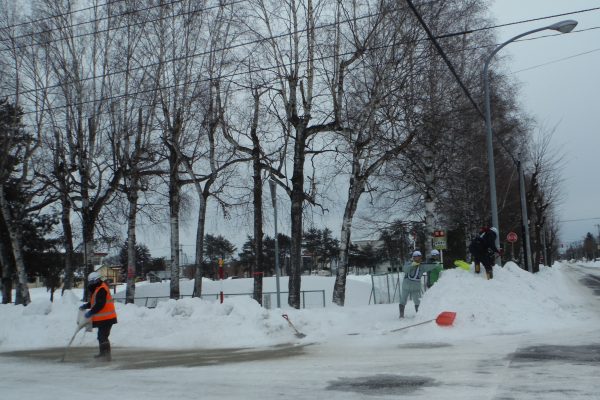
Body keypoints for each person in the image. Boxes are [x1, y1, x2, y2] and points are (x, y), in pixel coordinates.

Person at [80, 272, 117, 361]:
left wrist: (91, 312)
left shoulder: (101, 289)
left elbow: (100, 304)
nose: (90, 284)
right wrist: (87, 305)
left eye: (91, 282)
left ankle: (107, 356)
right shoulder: (98, 288)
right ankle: (103, 354)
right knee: (101, 336)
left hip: (107, 318)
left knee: (103, 336)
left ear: (96, 280)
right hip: (104, 318)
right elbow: (95, 302)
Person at [398, 250, 441, 318]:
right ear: (413, 258)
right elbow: (405, 269)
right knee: (403, 300)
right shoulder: (408, 263)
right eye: (416, 257)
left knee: (417, 301)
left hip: (416, 287)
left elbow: (429, 266)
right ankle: (401, 314)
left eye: (419, 257)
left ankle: (418, 315)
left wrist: (435, 264)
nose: (418, 259)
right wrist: (412, 265)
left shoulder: (422, 266)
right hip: (406, 286)